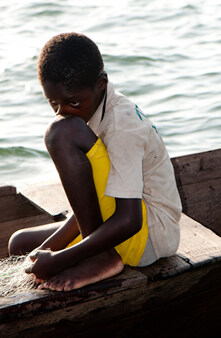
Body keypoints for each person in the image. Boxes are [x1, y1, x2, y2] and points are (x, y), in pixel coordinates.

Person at [8, 32, 182, 292]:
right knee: (20, 245)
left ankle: (101, 257)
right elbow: (96, 198)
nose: (62, 112)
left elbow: (129, 220)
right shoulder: (91, 109)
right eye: (53, 103)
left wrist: (61, 258)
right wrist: (47, 250)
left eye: (73, 102)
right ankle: (95, 253)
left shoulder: (122, 125)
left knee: (61, 133)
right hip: (124, 222)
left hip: (150, 235)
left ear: (101, 83)